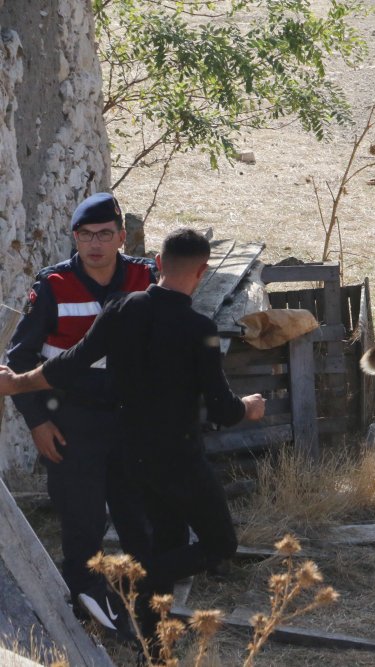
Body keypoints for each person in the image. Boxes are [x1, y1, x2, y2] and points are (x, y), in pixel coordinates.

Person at [0, 228, 266, 637]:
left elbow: (70, 364)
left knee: (163, 547)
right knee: (218, 545)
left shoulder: (121, 308)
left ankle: (153, 647)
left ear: (157, 264)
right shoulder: (199, 329)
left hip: (129, 454)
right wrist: (249, 407)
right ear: (203, 270)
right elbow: (221, 408)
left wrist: (17, 383)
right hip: (179, 460)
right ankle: (118, 582)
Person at [4, 192, 155, 636]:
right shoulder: (53, 285)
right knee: (83, 525)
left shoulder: (147, 278)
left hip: (132, 422)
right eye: (85, 235)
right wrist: (37, 422)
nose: (94, 244)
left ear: (121, 237)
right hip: (71, 423)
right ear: (75, 237)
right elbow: (18, 359)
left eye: (104, 235)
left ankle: (143, 616)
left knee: (140, 521)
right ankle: (85, 621)